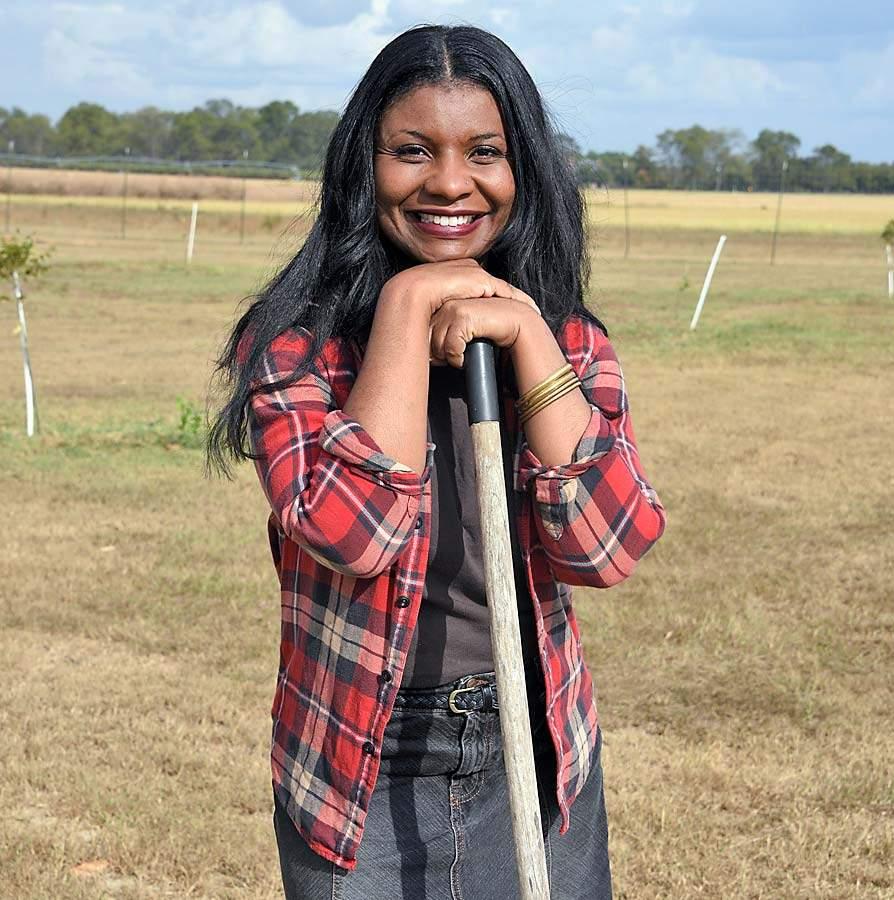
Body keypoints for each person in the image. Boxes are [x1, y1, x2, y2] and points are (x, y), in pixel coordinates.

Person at [208, 24, 665, 900]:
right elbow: (352, 533)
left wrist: (528, 331)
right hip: (354, 760)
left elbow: (608, 548)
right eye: (412, 150)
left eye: (484, 152)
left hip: (531, 745)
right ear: (363, 166)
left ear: (521, 169)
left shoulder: (568, 341)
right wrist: (408, 305)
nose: (450, 181)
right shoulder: (297, 349)